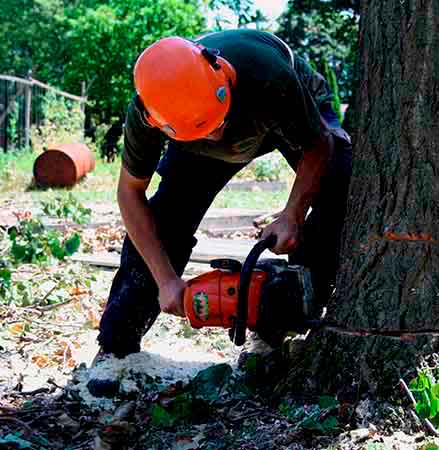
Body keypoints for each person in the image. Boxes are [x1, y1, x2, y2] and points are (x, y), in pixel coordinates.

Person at [97, 29, 352, 358]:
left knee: (339, 182)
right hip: (191, 141)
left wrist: (293, 214)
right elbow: (130, 193)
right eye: (209, 129)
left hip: (282, 112)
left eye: (218, 123)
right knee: (164, 222)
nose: (218, 135)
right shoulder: (149, 112)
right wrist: (165, 280)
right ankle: (115, 351)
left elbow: (318, 144)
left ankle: (289, 315)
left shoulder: (266, 74)